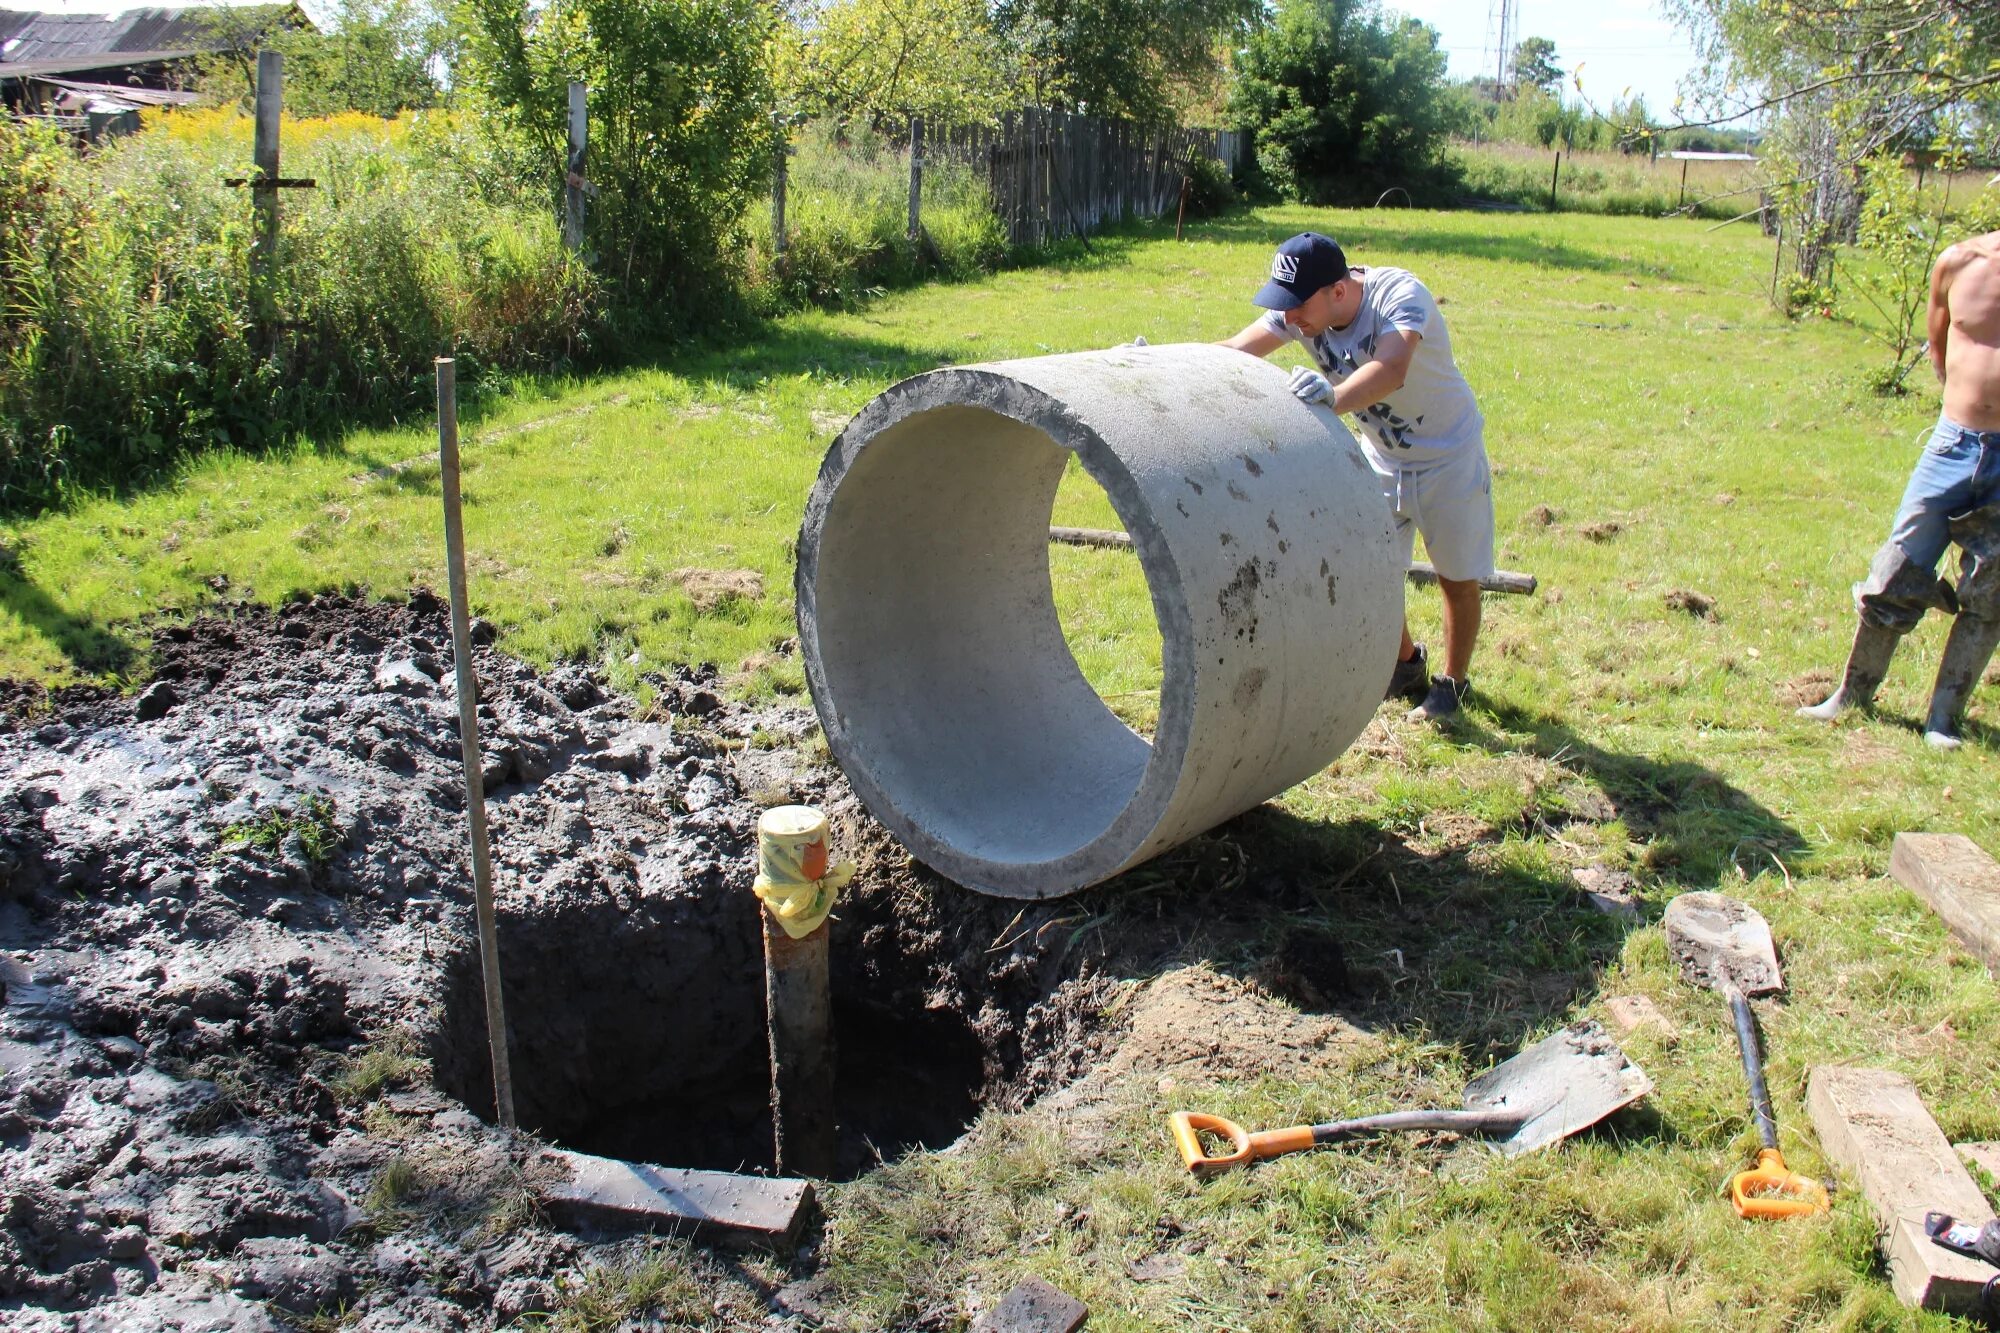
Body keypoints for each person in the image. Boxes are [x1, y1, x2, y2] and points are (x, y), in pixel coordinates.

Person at [1219, 232, 1494, 722]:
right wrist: (1162, 362)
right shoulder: (1301, 312)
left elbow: (1392, 369)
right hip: (1382, 457)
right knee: (1370, 570)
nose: (1290, 318)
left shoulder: (1399, 296)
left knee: (1456, 577)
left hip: (1447, 454)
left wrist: (1333, 396)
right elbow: (1237, 349)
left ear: (1338, 293)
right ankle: (1406, 663)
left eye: (1298, 305)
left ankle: (1452, 684)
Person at [1799, 230, 2000, 749]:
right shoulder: (1959, 262)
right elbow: (1938, 344)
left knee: (1991, 590)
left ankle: (1943, 720)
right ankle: (1851, 695)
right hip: (1952, 444)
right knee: (1898, 568)